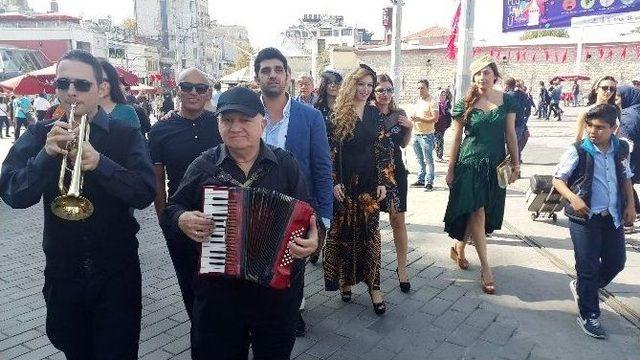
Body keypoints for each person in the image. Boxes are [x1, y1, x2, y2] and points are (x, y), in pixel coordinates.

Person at [0, 49, 156, 359]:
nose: (71, 92)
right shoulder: (39, 134)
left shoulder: (126, 135)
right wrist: (45, 157)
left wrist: (101, 164)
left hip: (116, 273)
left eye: (82, 85)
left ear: (101, 89)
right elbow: (13, 194)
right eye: (63, 83)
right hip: (63, 273)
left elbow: (144, 192)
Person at [161, 86, 319, 360]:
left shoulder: (285, 166)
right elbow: (172, 208)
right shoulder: (203, 166)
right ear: (218, 124)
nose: (235, 127)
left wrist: (315, 241)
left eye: (244, 120)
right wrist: (181, 218)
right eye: (227, 120)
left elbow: (309, 218)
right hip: (219, 296)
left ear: (262, 123)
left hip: (274, 296)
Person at [253, 47, 333, 337]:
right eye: (265, 70)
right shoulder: (247, 113)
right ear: (257, 77)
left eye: (278, 69)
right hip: (254, 208)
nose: (272, 75)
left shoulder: (310, 117)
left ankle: (292, 312)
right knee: (258, 264)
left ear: (288, 75)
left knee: (292, 268)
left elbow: (322, 168)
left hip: (297, 209)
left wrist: (324, 218)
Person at [552, 104, 635, 339]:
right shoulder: (578, 150)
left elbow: (626, 177)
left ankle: (583, 288)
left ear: (614, 128)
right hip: (584, 218)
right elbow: (558, 179)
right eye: (590, 126)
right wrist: (573, 198)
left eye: (600, 127)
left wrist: (629, 204)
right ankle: (589, 315)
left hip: (613, 216)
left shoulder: (621, 149)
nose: (593, 131)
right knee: (587, 267)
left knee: (616, 262)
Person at [148, 67, 222, 320]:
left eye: (200, 88)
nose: (193, 93)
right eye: (186, 87)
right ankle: (200, 334)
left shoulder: (219, 123)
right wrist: (164, 219)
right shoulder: (160, 130)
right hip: (180, 216)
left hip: (221, 213)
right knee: (189, 282)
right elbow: (157, 179)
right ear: (177, 90)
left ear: (209, 93)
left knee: (221, 282)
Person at [443, 55, 520, 295]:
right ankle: (486, 269)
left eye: (486, 72)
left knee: (482, 212)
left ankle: (459, 247)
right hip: (469, 165)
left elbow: (510, 135)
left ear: (494, 75)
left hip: (495, 168)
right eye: (477, 73)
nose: (482, 77)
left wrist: (516, 165)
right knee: (477, 212)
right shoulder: (465, 103)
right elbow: (456, 138)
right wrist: (450, 167)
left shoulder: (507, 101)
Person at [323, 64, 395, 315]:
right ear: (350, 85)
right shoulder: (336, 115)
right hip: (344, 187)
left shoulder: (376, 115)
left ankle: (375, 288)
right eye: (360, 84)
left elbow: (384, 150)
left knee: (370, 237)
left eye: (369, 85)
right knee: (344, 236)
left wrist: (384, 182)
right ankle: (345, 281)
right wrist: (333, 183)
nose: (365, 90)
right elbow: (328, 155)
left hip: (368, 188)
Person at [373, 73, 412, 293]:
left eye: (389, 90)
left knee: (398, 221)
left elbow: (404, 144)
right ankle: (372, 266)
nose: (385, 94)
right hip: (372, 173)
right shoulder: (367, 113)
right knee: (371, 223)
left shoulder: (399, 114)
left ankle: (402, 268)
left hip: (396, 172)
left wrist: (410, 128)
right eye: (381, 90)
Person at [411, 79, 439, 191]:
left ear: (427, 88)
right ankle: (421, 179)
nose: (420, 90)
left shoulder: (432, 101)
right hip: (416, 134)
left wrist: (419, 119)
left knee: (428, 160)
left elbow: (435, 118)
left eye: (422, 87)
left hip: (427, 136)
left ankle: (429, 181)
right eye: (418, 88)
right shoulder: (418, 101)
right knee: (419, 160)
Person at [99, 60, 141, 130]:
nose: (101, 85)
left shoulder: (127, 111)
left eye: (104, 80)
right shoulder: (83, 111)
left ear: (113, 82)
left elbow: (136, 139)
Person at [575, 76, 618, 143]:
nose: (608, 91)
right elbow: (578, 138)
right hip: (592, 149)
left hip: (611, 150)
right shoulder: (586, 112)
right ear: (596, 89)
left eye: (612, 89)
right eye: (605, 88)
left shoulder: (615, 110)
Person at [504, 78, 528, 160]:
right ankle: (516, 162)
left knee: (509, 146)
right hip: (520, 123)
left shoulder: (507, 96)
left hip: (511, 124)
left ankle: (510, 165)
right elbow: (527, 110)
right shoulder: (523, 95)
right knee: (516, 144)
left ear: (506, 85)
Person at [435, 89, 452, 163]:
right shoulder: (435, 104)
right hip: (436, 126)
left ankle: (439, 156)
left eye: (444, 95)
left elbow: (448, 114)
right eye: (441, 95)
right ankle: (438, 156)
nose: (442, 96)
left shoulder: (447, 104)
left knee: (439, 140)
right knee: (439, 140)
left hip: (444, 126)